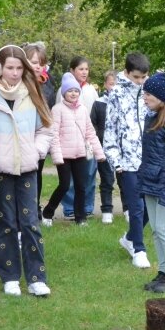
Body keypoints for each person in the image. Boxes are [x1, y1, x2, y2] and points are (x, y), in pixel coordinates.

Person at [0, 44, 54, 297]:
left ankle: (36, 277)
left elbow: (45, 127)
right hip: (2, 169)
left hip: (28, 168)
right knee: (6, 222)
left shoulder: (32, 94)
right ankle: (9, 276)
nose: (14, 73)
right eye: (9, 67)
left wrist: (38, 150)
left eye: (19, 68)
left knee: (31, 222)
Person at [103, 52, 151, 269]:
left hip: (149, 158)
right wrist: (115, 160)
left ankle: (130, 238)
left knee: (151, 204)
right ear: (127, 72)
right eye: (136, 77)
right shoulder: (116, 94)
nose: (140, 81)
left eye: (143, 77)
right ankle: (139, 249)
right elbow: (110, 129)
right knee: (136, 207)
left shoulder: (149, 92)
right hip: (127, 161)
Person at [137, 73, 165, 293]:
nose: (144, 97)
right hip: (150, 179)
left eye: (148, 94)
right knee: (155, 230)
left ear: (161, 96)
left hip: (164, 182)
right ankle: (163, 272)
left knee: (164, 230)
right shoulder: (151, 117)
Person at [42, 73, 105, 226]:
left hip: (81, 154)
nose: (73, 93)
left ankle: (80, 218)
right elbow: (53, 135)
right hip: (64, 155)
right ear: (64, 93)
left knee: (81, 186)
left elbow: (90, 132)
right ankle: (47, 213)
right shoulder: (57, 110)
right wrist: (57, 157)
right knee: (64, 185)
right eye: (70, 91)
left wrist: (99, 153)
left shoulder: (83, 109)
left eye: (76, 91)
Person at [61, 56, 99, 220]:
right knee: (69, 178)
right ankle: (70, 208)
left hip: (87, 139)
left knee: (89, 174)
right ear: (72, 70)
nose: (84, 72)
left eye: (86, 69)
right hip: (69, 141)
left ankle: (87, 206)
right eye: (80, 69)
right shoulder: (63, 90)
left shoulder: (91, 90)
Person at [23, 42, 57, 221]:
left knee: (37, 175)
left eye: (40, 62)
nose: (37, 66)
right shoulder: (19, 85)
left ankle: (34, 209)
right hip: (22, 138)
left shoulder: (48, 82)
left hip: (40, 137)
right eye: (33, 62)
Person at [91, 70, 124, 224]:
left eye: (117, 84)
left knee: (124, 180)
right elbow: (93, 125)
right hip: (104, 148)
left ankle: (128, 209)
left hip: (122, 149)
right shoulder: (99, 103)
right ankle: (106, 210)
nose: (114, 87)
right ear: (105, 84)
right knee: (106, 180)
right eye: (111, 84)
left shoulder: (124, 103)